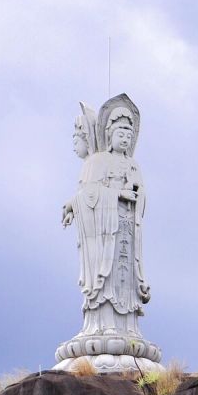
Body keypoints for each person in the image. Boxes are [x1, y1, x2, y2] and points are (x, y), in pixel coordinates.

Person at [62, 98, 150, 336]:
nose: (125, 137)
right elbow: (88, 194)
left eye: (129, 133)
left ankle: (129, 327)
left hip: (126, 232)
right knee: (107, 278)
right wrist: (115, 194)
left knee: (127, 280)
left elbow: (141, 195)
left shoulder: (133, 165)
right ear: (109, 134)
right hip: (104, 234)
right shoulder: (97, 162)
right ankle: (103, 324)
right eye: (120, 131)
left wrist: (136, 193)